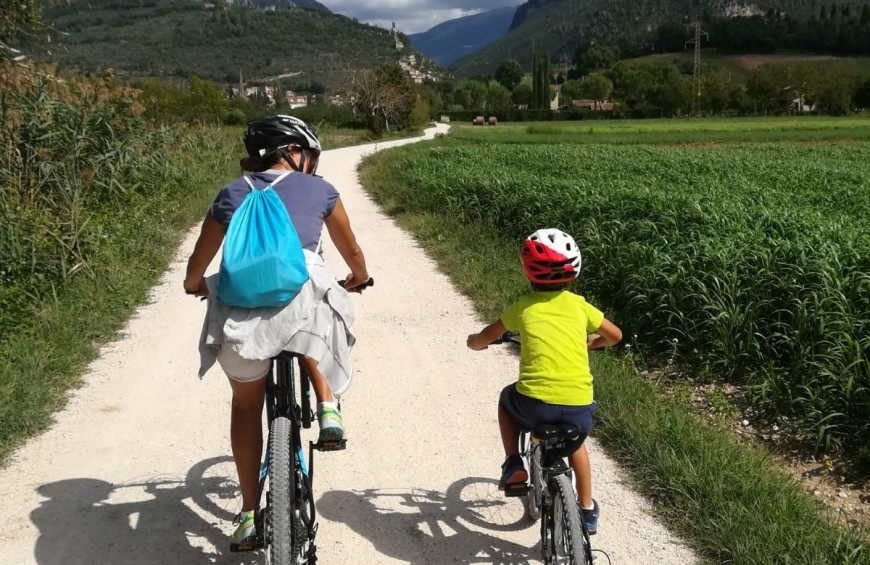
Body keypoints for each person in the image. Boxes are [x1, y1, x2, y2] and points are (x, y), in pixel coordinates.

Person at [183, 115, 370, 550]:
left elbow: (199, 259)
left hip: (241, 303)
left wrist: (194, 285)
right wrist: (358, 276)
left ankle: (249, 515)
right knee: (317, 318)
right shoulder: (321, 189)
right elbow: (352, 250)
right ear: (292, 151)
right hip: (300, 293)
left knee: (246, 407)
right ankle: (328, 410)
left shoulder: (231, 193)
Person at [466, 228, 622, 535]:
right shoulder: (579, 306)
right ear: (573, 270)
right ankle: (587, 509)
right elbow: (615, 336)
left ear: (528, 271)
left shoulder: (523, 307)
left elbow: (483, 338)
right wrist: (590, 343)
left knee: (507, 399)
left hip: (534, 407)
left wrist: (475, 341)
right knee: (576, 445)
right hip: (578, 408)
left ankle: (513, 463)